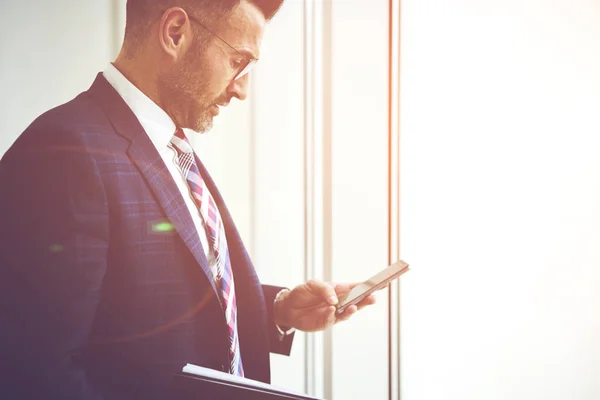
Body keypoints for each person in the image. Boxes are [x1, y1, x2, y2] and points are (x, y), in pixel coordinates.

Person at [0, 1, 375, 399]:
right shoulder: (63, 153)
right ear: (175, 32)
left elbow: (140, 307)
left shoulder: (168, 144)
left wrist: (277, 310)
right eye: (238, 60)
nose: (242, 88)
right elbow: (33, 369)